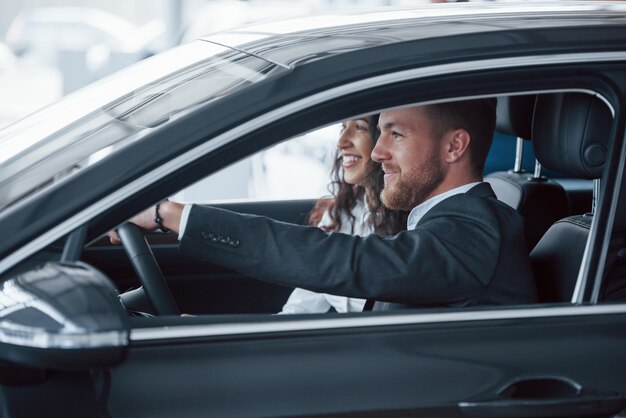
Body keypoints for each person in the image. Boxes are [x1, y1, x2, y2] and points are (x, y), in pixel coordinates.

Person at [110, 98, 538, 311]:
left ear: (454, 146)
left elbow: (343, 261)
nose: (377, 153)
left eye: (396, 134)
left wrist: (170, 215)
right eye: (381, 133)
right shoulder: (444, 222)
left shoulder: (473, 231)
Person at [279, 116, 408, 314]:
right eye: (343, 127)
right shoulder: (338, 214)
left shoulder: (412, 223)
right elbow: (302, 307)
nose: (341, 142)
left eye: (359, 127)